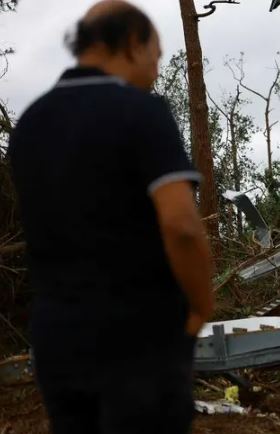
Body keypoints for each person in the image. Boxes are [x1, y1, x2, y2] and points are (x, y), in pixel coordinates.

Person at [8, 1, 214, 433]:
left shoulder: (30, 125)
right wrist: (200, 304)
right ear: (132, 43)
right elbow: (180, 224)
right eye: (156, 56)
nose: (157, 70)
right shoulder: (142, 112)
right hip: (140, 335)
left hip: (57, 337)